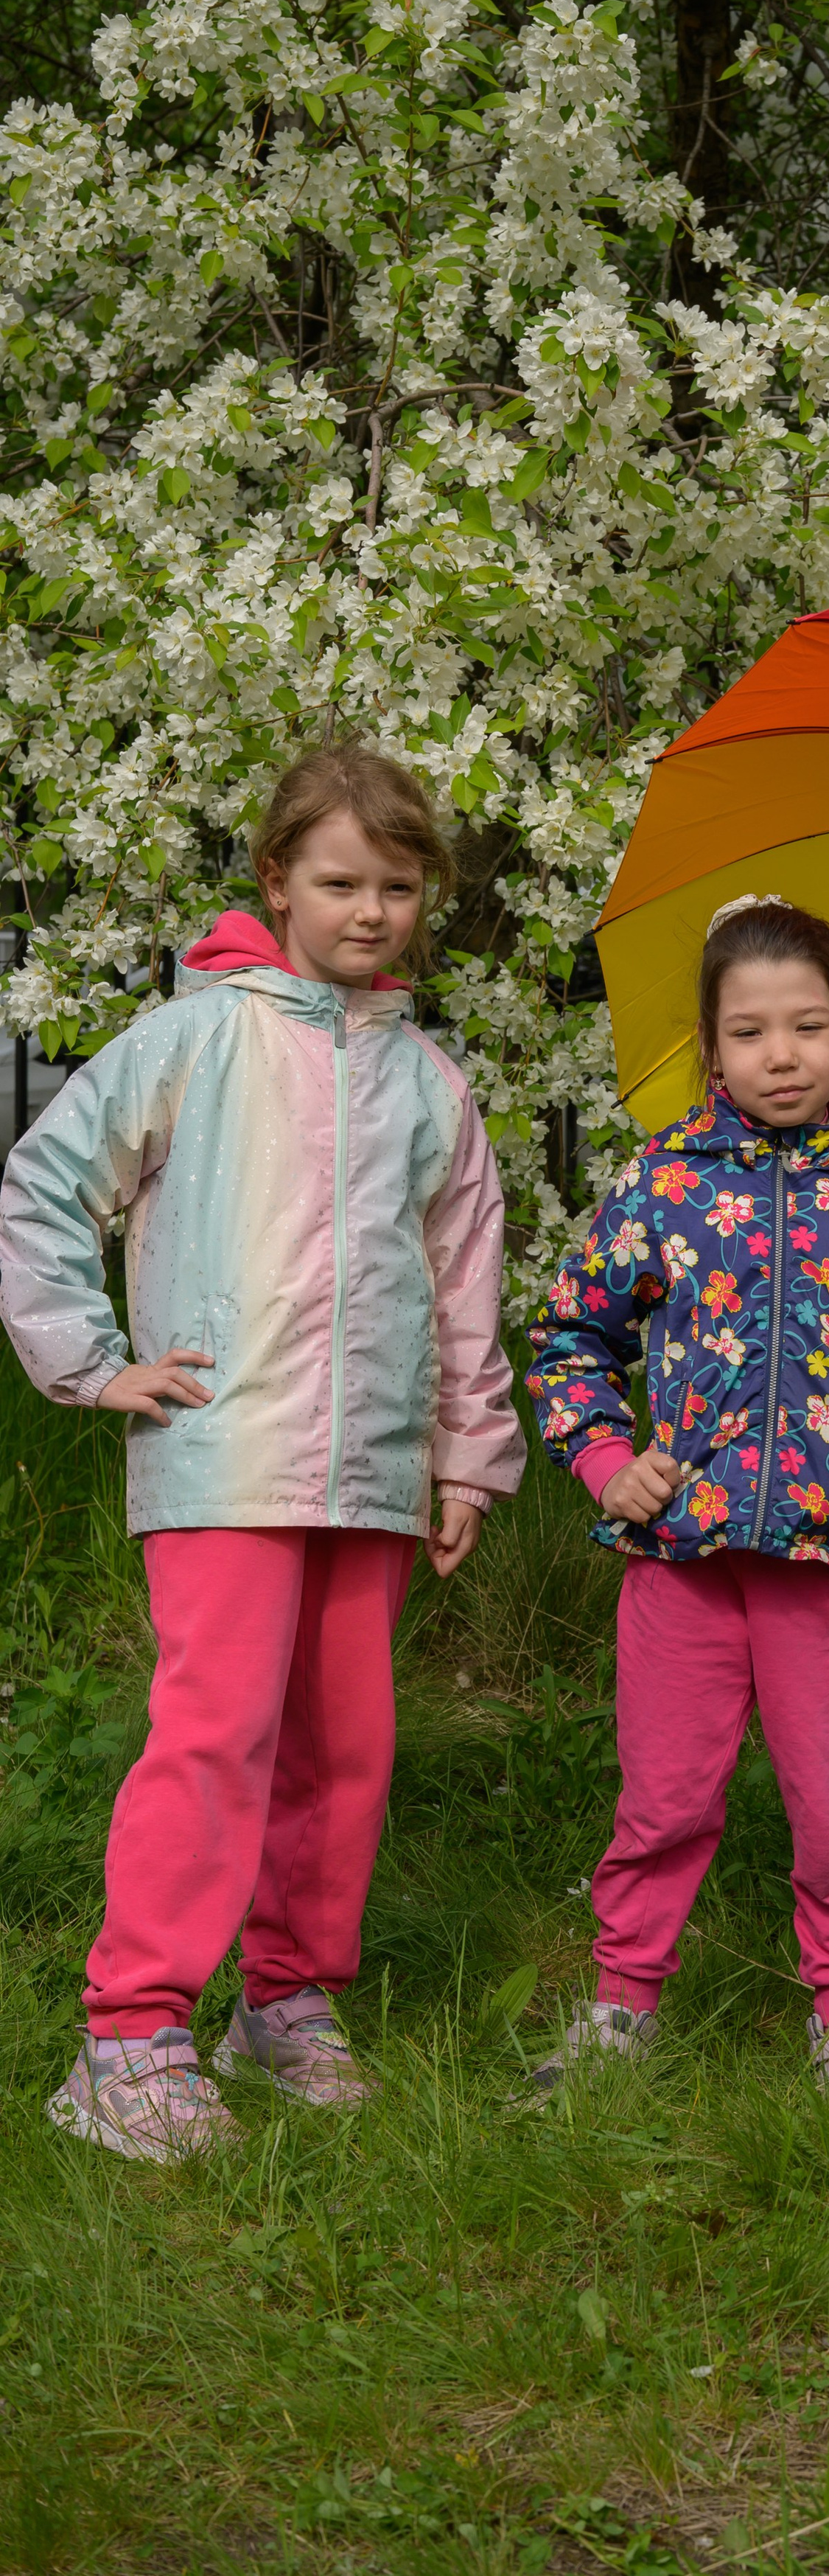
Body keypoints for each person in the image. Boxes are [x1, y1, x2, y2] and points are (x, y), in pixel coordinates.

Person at [0, 745, 524, 2163]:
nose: (371, 912)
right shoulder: (199, 1039)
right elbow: (48, 1178)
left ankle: (284, 2004)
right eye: (340, 882)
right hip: (221, 1455)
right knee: (216, 1736)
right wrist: (93, 1363)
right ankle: (129, 2035)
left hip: (372, 1474)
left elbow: (463, 1278)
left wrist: (467, 1456)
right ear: (277, 883)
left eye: (399, 888)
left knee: (344, 1749)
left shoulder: (430, 1086)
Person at [525, 894, 829, 2092]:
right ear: (711, 1043)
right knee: (665, 1799)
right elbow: (570, 1340)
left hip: (827, 1563)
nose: (781, 1055)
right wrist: (603, 1462)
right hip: (681, 1561)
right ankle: (625, 2003)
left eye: (809, 1026)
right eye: (749, 1032)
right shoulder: (663, 1185)